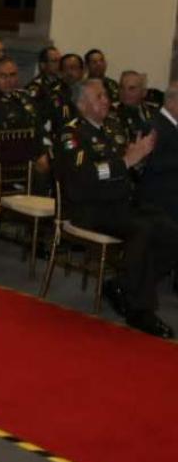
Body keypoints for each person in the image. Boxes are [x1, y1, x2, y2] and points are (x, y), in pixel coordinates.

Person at [53, 80, 177, 338]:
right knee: (141, 230)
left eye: (106, 96)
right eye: (99, 97)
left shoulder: (111, 128)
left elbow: (128, 167)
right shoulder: (71, 133)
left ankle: (122, 285)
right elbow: (84, 177)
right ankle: (140, 311)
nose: (106, 101)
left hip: (118, 203)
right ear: (82, 104)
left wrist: (137, 159)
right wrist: (126, 161)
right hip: (89, 208)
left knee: (167, 227)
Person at [138, 81, 178, 223]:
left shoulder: (171, 125)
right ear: (172, 102)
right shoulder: (154, 126)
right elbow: (152, 162)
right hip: (161, 201)